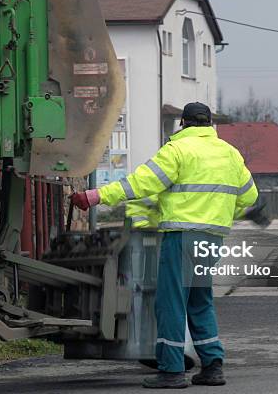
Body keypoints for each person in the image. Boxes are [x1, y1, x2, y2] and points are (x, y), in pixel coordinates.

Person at [71, 102, 261, 388]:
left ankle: (172, 370)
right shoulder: (230, 154)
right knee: (200, 301)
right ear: (210, 124)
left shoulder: (177, 150)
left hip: (182, 236)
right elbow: (249, 198)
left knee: (171, 303)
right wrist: (221, 217)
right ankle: (212, 365)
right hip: (213, 239)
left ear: (182, 123)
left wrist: (97, 196)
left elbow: (141, 183)